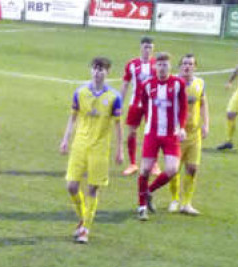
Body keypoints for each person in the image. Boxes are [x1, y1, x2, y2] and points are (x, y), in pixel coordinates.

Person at [59, 57, 124, 244]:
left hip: (100, 148)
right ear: (91, 71)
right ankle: (83, 217)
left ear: (108, 72)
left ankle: (85, 228)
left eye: (102, 69)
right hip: (79, 144)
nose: (98, 72)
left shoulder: (114, 97)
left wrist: (120, 149)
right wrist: (65, 140)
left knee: (92, 189)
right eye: (95, 69)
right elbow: (72, 118)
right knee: (71, 186)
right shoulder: (80, 92)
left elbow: (118, 125)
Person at [135, 52, 187, 221]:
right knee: (144, 169)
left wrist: (182, 127)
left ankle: (149, 191)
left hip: (171, 134)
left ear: (170, 66)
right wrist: (144, 124)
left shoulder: (178, 84)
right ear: (155, 66)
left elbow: (183, 108)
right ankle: (142, 206)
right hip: (152, 134)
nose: (162, 68)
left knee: (172, 169)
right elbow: (143, 106)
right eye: (159, 64)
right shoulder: (147, 84)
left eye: (165, 65)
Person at [168, 54, 208, 216]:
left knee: (192, 168)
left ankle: (187, 203)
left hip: (194, 134)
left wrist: (206, 124)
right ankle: (174, 199)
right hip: (176, 134)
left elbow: (204, 104)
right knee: (174, 169)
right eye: (184, 63)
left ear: (195, 67)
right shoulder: (173, 83)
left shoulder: (200, 83)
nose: (187, 67)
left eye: (190, 64)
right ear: (180, 66)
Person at [119, 36, 155, 177]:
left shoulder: (157, 64)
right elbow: (125, 84)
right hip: (135, 103)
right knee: (132, 132)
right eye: (145, 47)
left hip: (152, 104)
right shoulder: (132, 64)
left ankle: (154, 164)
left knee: (153, 134)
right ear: (141, 47)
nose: (148, 50)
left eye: (150, 47)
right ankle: (133, 163)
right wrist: (120, 103)